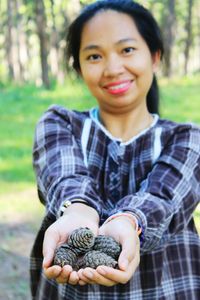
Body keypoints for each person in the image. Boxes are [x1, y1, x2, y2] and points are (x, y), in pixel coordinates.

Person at [30, 0, 200, 299]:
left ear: (155, 56)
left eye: (127, 50)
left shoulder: (187, 138)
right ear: (79, 68)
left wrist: (129, 222)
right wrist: (78, 213)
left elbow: (162, 197)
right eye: (94, 55)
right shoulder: (59, 124)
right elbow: (64, 176)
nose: (112, 68)